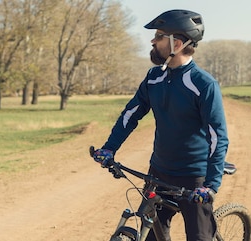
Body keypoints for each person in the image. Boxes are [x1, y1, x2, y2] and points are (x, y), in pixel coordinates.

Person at [92, 9, 229, 241]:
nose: (153, 40)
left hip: (194, 178)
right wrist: (109, 148)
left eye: (159, 35)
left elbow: (218, 136)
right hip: (159, 173)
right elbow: (130, 115)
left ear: (178, 42)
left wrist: (211, 185)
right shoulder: (154, 77)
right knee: (152, 236)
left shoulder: (203, 84)